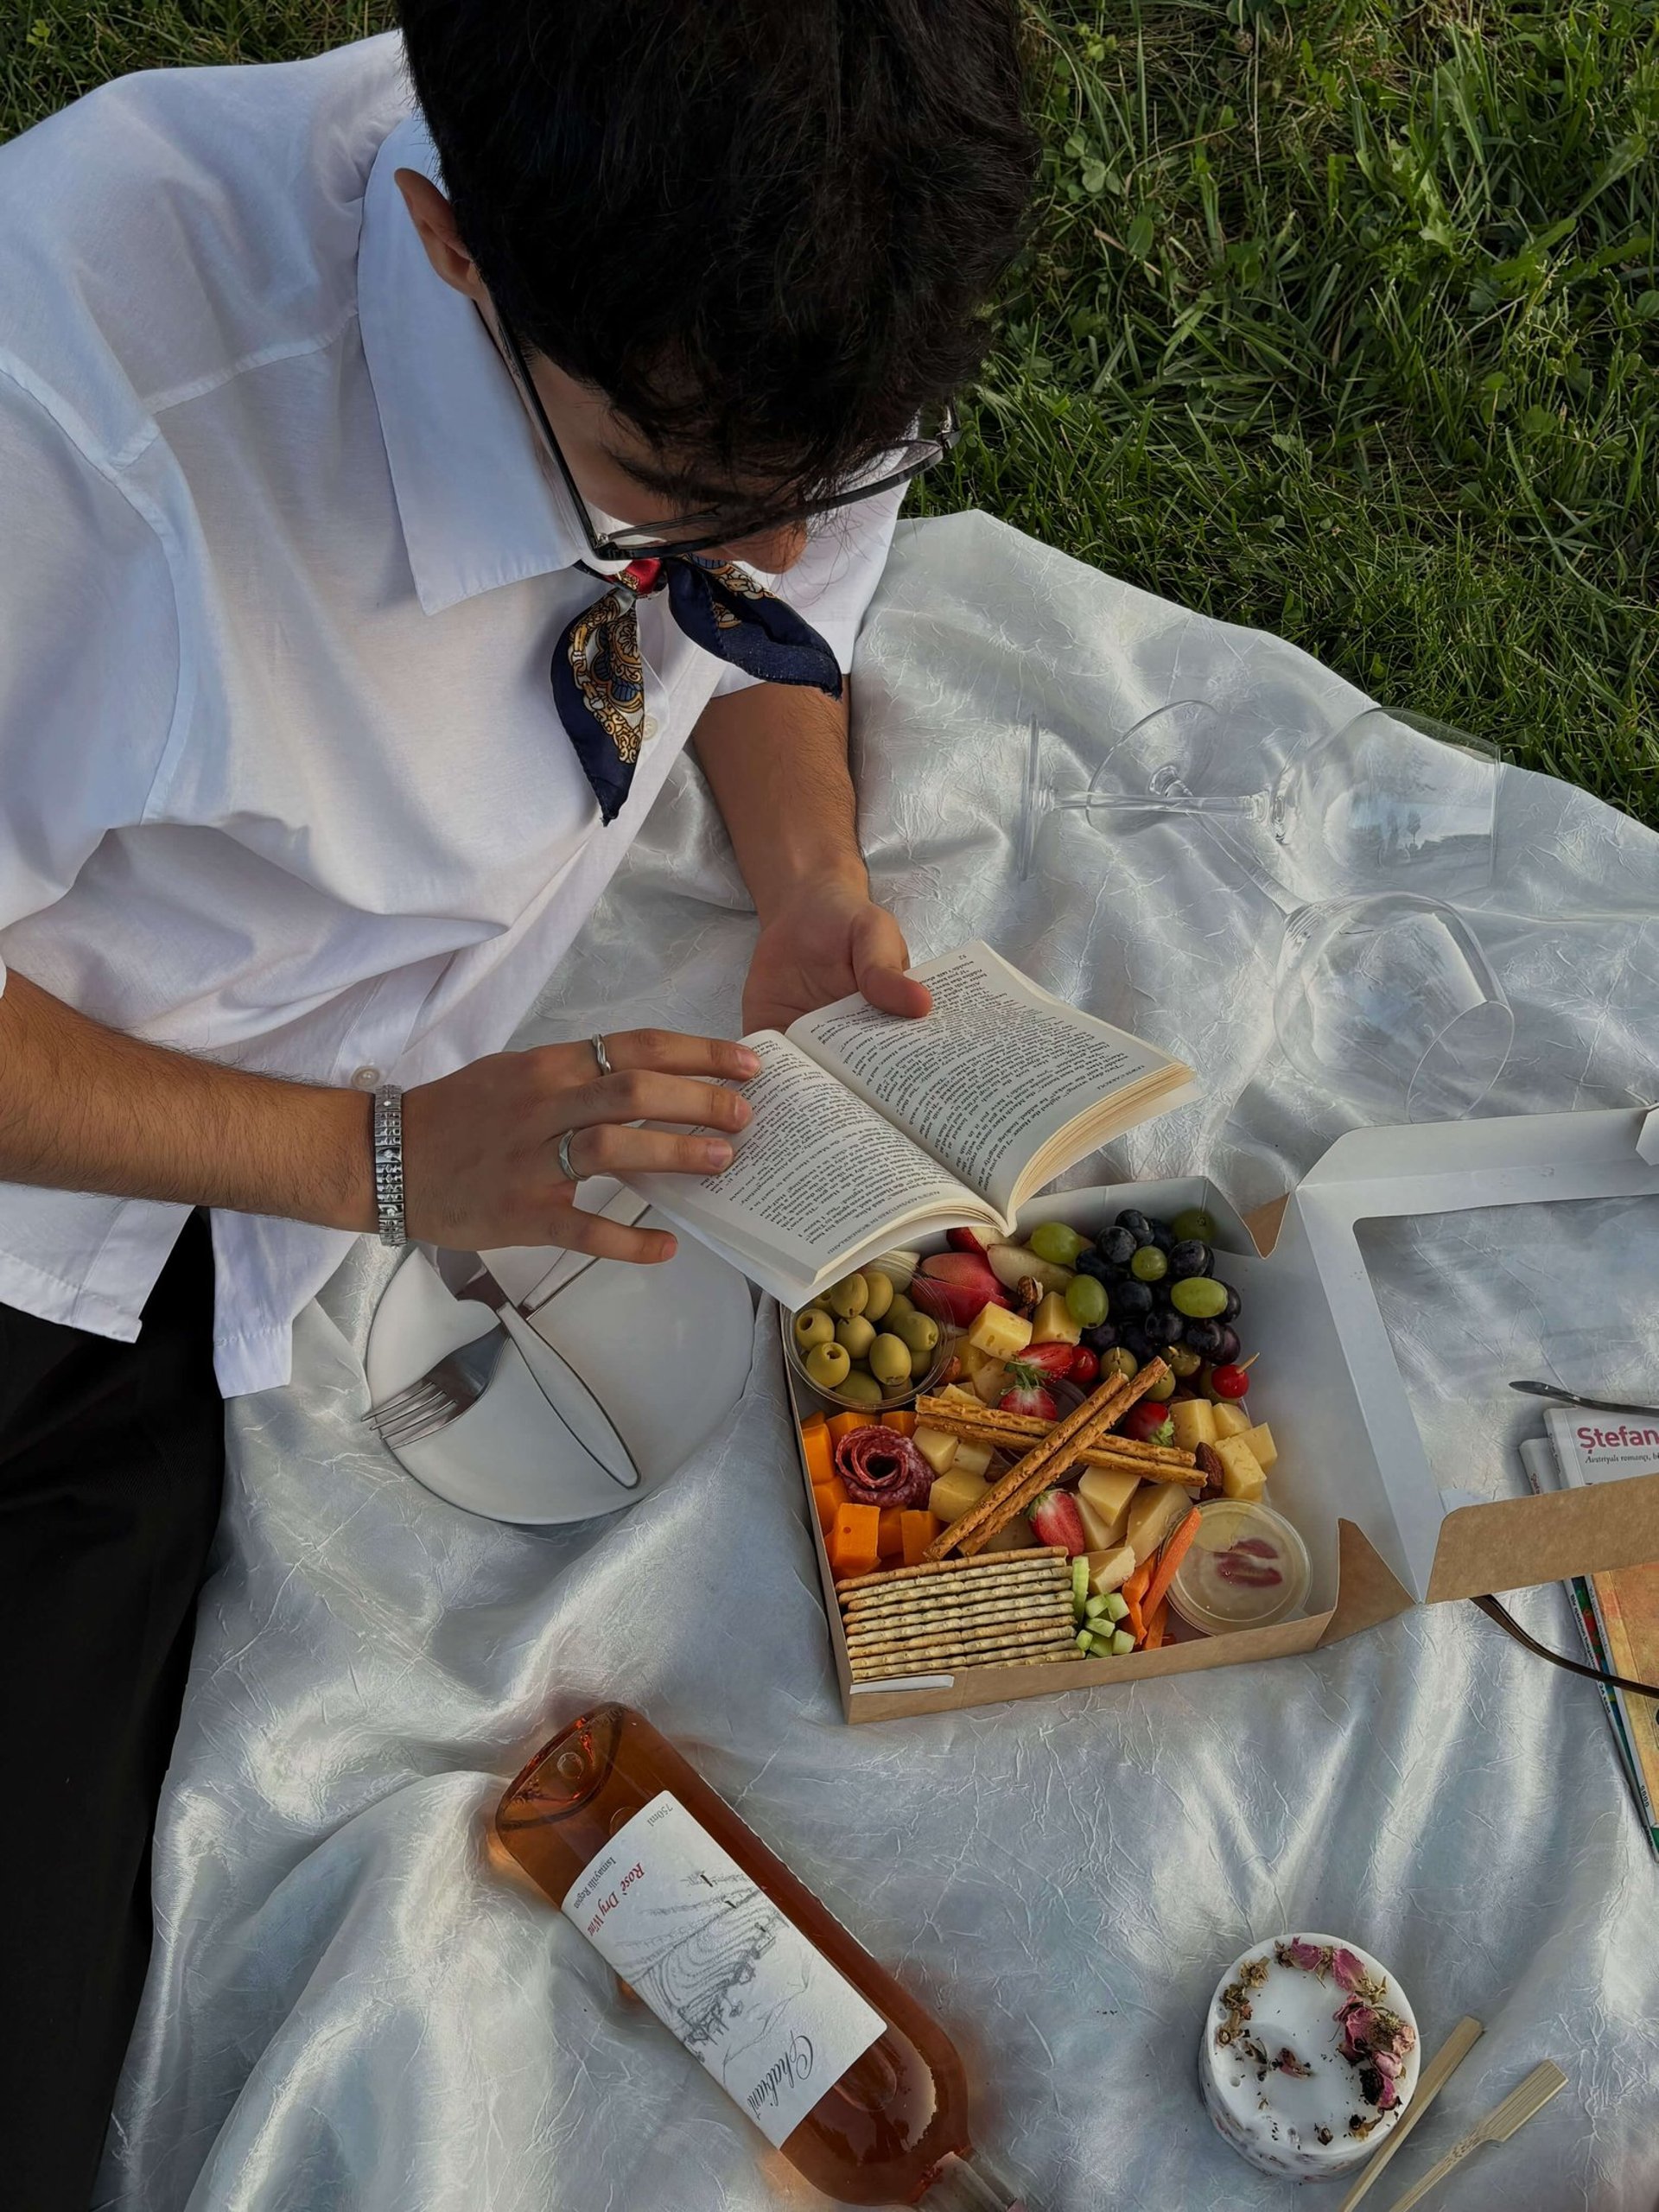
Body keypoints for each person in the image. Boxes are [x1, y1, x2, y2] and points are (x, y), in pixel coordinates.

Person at [0, 3, 1034, 2202]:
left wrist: (808, 867)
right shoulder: (68, 418)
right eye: (673, 492)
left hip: (235, 1266)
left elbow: (760, 614)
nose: (778, 552)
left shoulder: (790, 264)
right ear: (453, 247)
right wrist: (368, 1157)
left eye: (832, 478)